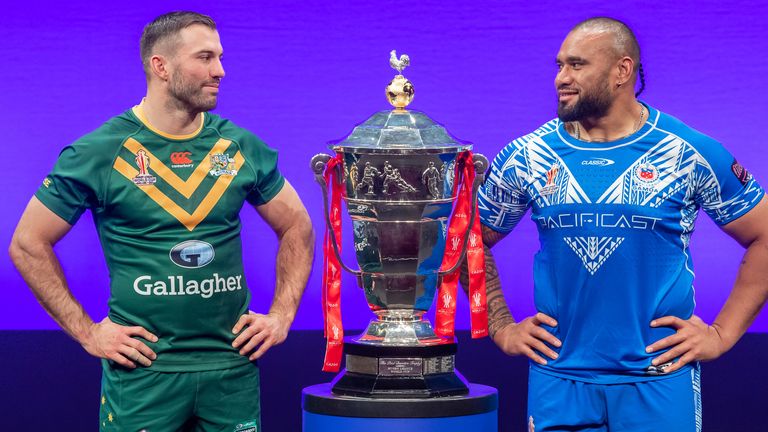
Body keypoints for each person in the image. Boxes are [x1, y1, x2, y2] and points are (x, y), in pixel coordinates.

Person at [8, 11, 314, 431]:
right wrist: (88, 333)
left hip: (231, 370)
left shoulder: (240, 147)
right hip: (143, 376)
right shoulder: (98, 152)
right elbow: (27, 243)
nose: (220, 70)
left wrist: (281, 315)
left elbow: (298, 225)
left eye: (220, 57)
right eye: (205, 57)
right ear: (161, 66)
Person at [467, 17, 768, 431]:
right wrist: (501, 326)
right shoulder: (526, 156)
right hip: (559, 383)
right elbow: (467, 241)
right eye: (559, 66)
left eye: (576, 65)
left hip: (659, 383)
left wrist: (721, 334)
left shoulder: (689, 152)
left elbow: (764, 237)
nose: (561, 79)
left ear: (622, 71)